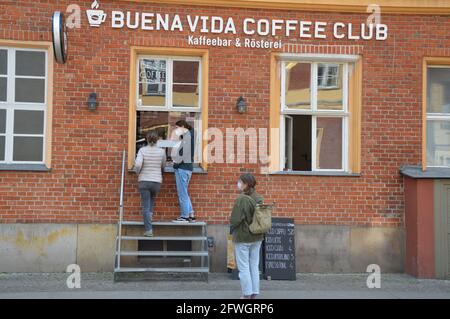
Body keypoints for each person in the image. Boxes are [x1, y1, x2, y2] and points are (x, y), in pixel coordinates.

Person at [230, 173, 264, 299]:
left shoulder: (241, 199)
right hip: (257, 236)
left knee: (243, 268)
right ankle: (254, 293)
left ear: (246, 184)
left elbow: (235, 219)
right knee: (254, 266)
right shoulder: (259, 198)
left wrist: (232, 226)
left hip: (243, 236)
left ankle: (246, 295)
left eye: (240, 182)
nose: (238, 184)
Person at [133, 132, 166, 237]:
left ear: (146, 139)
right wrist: (160, 173)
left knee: (146, 206)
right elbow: (163, 166)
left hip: (144, 181)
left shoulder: (142, 150)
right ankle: (150, 217)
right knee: (151, 201)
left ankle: (148, 230)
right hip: (156, 181)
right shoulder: (162, 151)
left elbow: (138, 164)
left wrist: (137, 172)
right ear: (157, 140)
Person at [171, 120, 196, 223]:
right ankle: (191, 215)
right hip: (187, 167)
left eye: (177, 128)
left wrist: (175, 164)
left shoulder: (187, 137)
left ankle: (184, 216)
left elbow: (183, 154)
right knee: (184, 192)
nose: (176, 131)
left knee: (182, 193)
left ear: (182, 126)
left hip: (182, 168)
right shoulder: (189, 135)